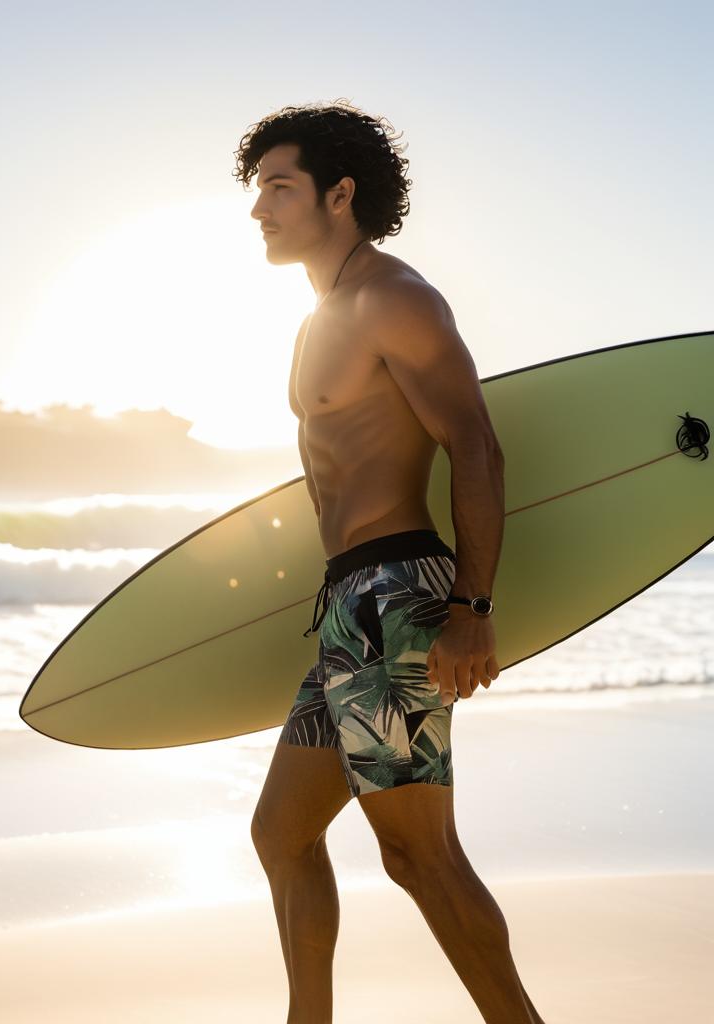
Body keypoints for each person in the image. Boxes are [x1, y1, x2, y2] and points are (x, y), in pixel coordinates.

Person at [234, 101, 546, 1024]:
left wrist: (471, 608)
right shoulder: (320, 319)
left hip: (395, 600)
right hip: (345, 610)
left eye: (279, 188)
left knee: (419, 856)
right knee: (281, 835)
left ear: (340, 194)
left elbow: (476, 445)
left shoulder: (393, 298)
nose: (260, 209)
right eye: (258, 190)